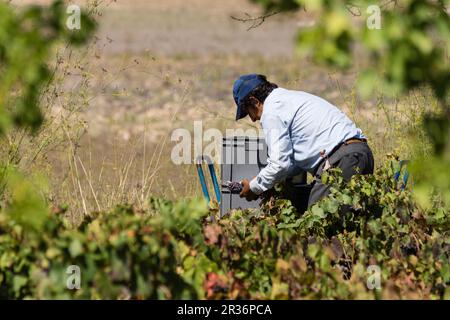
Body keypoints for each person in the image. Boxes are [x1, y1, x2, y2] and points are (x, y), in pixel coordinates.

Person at [233, 74, 374, 208]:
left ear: (254, 101)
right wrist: (269, 183)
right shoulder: (288, 98)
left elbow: (279, 164)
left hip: (341, 161)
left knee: (318, 221)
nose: (252, 119)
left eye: (248, 112)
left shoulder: (271, 111)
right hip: (360, 154)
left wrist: (254, 187)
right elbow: (291, 164)